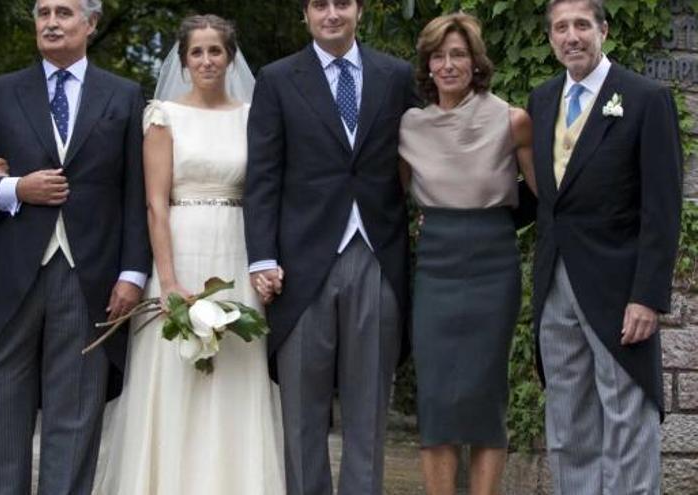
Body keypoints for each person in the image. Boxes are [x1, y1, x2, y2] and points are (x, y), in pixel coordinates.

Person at [0, 0, 151, 492]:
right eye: (43, 12)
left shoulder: (125, 96)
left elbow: (136, 192)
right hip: (14, 271)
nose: (51, 22)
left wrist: (133, 273)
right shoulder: (3, 91)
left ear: (90, 23)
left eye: (64, 12)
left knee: (77, 412)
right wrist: (15, 189)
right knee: (0, 400)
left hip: (91, 277)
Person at [92, 14, 285, 495]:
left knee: (237, 368)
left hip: (235, 251)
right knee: (174, 371)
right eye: (196, 52)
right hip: (179, 249)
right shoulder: (163, 115)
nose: (206, 60)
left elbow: (266, 191)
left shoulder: (251, 115)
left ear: (230, 57)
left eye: (215, 51)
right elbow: (156, 204)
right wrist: (169, 279)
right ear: (182, 61)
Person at [244, 0, 421, 493]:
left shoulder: (395, 75)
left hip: (378, 254)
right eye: (319, 5)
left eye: (341, 3)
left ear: (358, 11)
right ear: (304, 14)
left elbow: (423, 150)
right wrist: (262, 257)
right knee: (302, 412)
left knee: (369, 411)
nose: (331, 14)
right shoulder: (278, 79)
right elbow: (262, 176)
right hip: (301, 264)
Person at [528, 1, 682, 493]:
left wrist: (648, 295)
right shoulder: (542, 99)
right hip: (555, 284)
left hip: (619, 288)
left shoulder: (643, 97)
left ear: (603, 30)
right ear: (551, 38)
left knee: (626, 417)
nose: (571, 36)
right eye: (560, 27)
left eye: (581, 25)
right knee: (568, 417)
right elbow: (546, 195)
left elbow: (662, 207)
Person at [397, 12, 536, 495]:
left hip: (493, 264)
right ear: (427, 65)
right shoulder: (409, 127)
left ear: (476, 63)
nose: (449, 64)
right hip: (435, 263)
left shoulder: (513, 120)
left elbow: (545, 197)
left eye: (459, 54)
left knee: (484, 396)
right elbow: (394, 201)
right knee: (435, 397)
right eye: (439, 55)